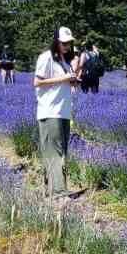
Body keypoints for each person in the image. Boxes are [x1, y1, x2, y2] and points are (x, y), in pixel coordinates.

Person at [34, 27, 80, 196]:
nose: (67, 46)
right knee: (54, 151)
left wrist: (73, 81)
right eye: (64, 43)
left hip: (64, 112)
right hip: (50, 110)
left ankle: (54, 189)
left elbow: (63, 82)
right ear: (56, 42)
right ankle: (58, 191)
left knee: (62, 152)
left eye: (69, 43)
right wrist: (64, 78)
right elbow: (37, 82)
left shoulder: (64, 61)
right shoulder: (46, 57)